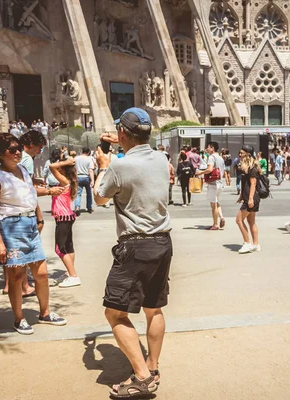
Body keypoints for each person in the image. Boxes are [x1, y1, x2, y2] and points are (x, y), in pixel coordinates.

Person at [93, 108, 171, 397]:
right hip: (162, 242)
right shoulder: (162, 159)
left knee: (114, 313)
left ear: (122, 134)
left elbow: (99, 197)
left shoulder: (118, 166)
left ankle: (141, 376)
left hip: (135, 246)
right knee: (154, 309)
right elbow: (140, 157)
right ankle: (152, 365)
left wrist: (104, 164)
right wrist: (122, 144)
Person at [0, 133, 67, 334]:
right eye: (11, 149)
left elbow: (29, 193)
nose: (17, 152)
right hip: (11, 226)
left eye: (18, 148)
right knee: (17, 276)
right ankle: (19, 318)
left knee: (42, 274)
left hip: (29, 223)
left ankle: (45, 312)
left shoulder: (22, 169)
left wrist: (45, 199)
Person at [49, 156, 82, 288]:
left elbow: (51, 167)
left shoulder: (64, 181)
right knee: (68, 246)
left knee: (59, 248)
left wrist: (66, 162)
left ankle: (73, 275)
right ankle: (70, 273)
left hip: (63, 217)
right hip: (67, 217)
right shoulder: (69, 181)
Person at [236, 145, 261, 254]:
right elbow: (245, 184)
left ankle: (247, 243)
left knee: (239, 220)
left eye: (242, 153)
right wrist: (242, 195)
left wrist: (250, 199)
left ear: (248, 154)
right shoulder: (246, 168)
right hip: (249, 197)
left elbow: (253, 183)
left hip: (251, 198)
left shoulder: (252, 168)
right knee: (251, 221)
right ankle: (256, 244)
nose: (239, 155)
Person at [195, 142, 226, 230]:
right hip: (220, 183)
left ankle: (215, 224)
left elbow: (209, 169)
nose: (206, 149)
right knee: (217, 202)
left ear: (212, 148)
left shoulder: (211, 157)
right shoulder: (220, 158)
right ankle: (222, 217)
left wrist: (200, 172)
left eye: (208, 147)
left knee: (213, 205)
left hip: (213, 184)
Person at [74, 147, 95, 216]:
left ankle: (77, 207)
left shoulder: (76, 158)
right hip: (86, 177)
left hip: (78, 176)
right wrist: (92, 180)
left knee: (78, 193)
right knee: (89, 193)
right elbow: (91, 170)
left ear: (82, 151)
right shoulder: (89, 159)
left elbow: (73, 169)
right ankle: (89, 207)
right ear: (89, 152)